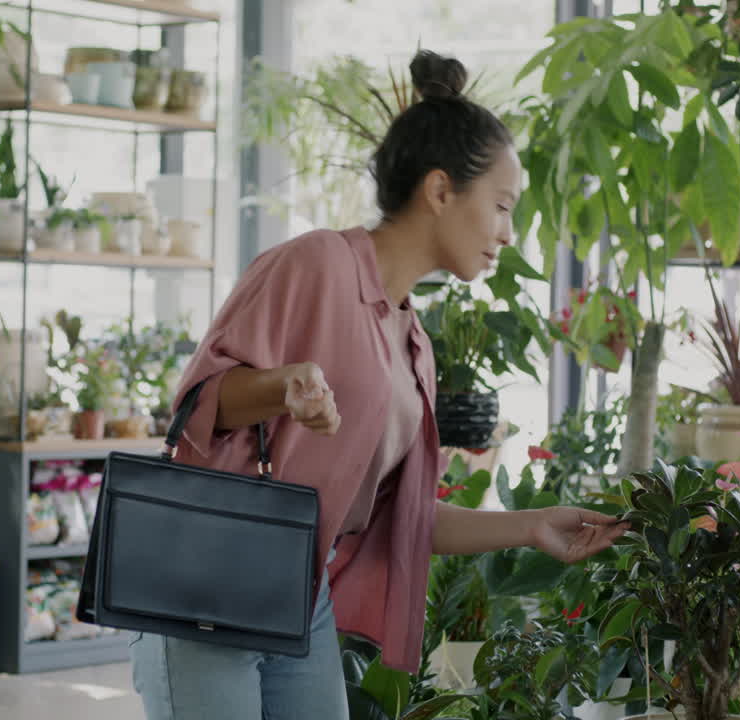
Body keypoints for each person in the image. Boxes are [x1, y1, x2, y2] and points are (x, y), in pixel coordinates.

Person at [129, 49, 627, 720]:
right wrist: (283, 386)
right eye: (502, 206)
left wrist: (534, 525)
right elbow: (199, 405)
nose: (507, 234)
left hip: (299, 598)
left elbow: (404, 519)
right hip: (208, 586)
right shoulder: (318, 264)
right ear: (441, 190)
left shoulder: (412, 342)